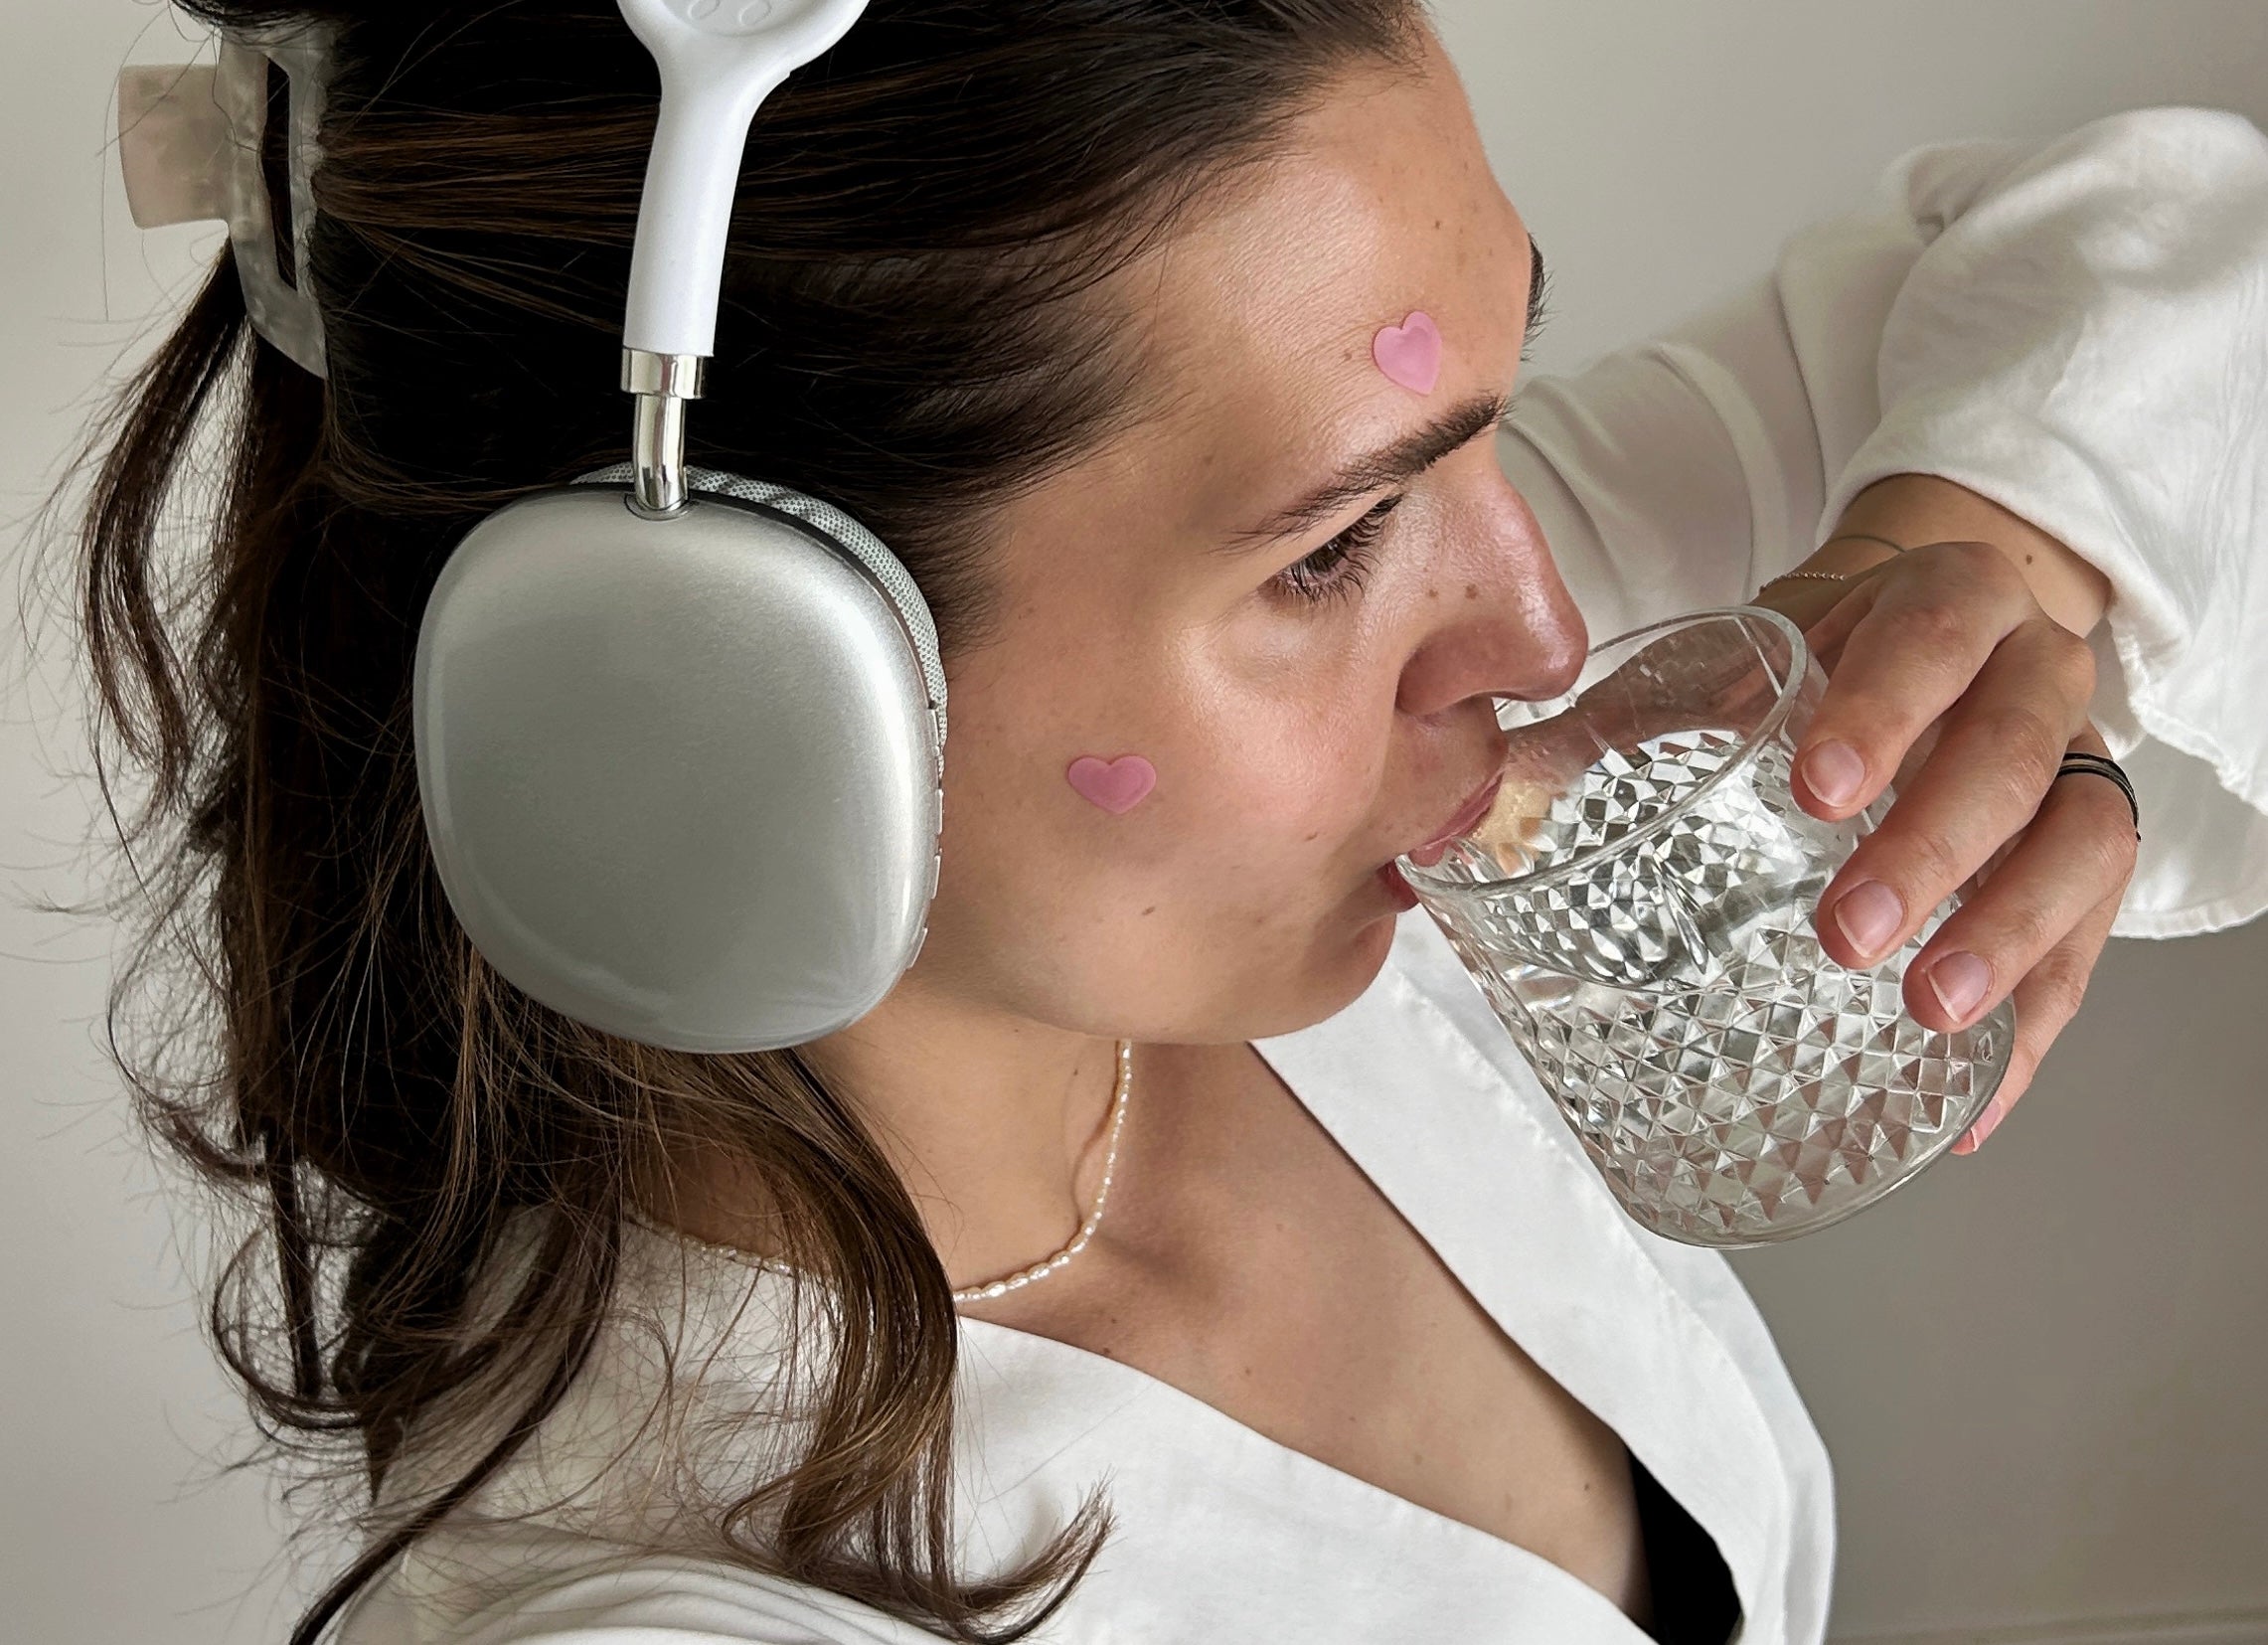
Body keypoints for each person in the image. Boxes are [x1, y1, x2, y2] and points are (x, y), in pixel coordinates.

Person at [76, 2, 2268, 1642]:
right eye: (1332, 550)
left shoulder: (1252, 882)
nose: (1532, 631)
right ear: (734, 681)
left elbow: (2180, 239)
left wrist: (1996, 554)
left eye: (1488, 418)